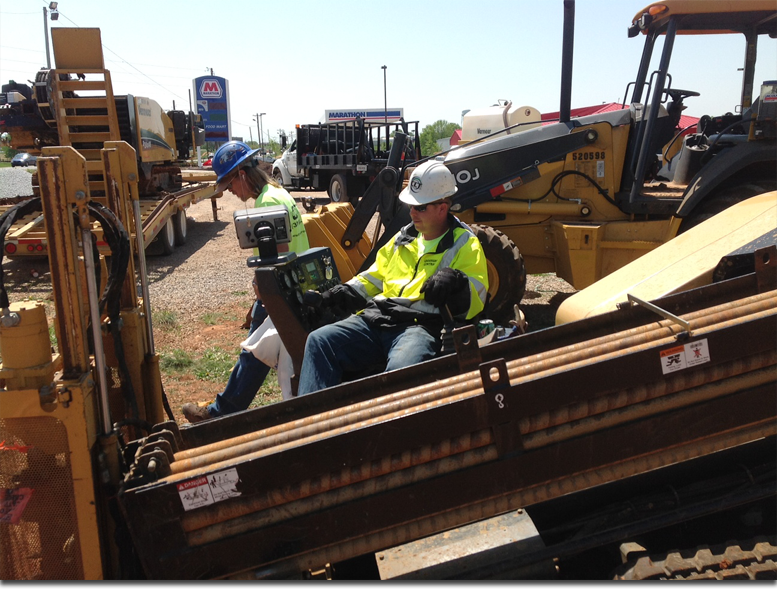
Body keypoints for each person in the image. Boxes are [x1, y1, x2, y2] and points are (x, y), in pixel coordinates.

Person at [296, 160, 488, 396]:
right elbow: (374, 277)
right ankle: (313, 425)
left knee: (401, 370)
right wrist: (340, 293)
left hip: (418, 327)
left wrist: (457, 281)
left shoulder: (464, 243)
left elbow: (477, 294)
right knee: (319, 342)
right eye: (411, 206)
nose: (412, 212)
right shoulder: (403, 237)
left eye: (420, 207)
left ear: (442, 207)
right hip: (377, 318)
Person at [182, 141, 309, 423]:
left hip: (280, 290)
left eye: (229, 185)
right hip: (290, 286)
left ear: (241, 174)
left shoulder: (268, 202)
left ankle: (221, 414)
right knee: (257, 353)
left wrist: (263, 294)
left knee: (256, 353)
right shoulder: (278, 192)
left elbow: (276, 254)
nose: (231, 192)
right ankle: (223, 410)